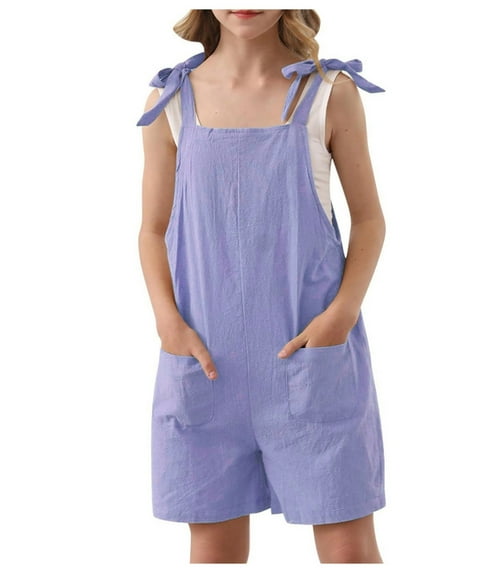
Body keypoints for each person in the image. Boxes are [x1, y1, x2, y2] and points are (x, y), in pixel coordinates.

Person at [136, 9, 387, 564]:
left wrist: (341, 315)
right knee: (214, 550)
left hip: (311, 361)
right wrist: (168, 324)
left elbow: (369, 220)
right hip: (205, 365)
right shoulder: (170, 101)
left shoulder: (329, 93)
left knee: (347, 547)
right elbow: (153, 229)